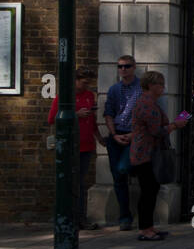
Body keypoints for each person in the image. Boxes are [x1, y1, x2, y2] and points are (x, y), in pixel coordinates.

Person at [129, 71, 188, 241]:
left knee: (152, 190)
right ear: (150, 85)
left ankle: (149, 226)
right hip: (145, 154)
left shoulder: (150, 103)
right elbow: (156, 131)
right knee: (147, 191)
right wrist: (175, 125)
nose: (163, 88)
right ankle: (144, 229)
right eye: (160, 84)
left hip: (148, 153)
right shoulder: (146, 104)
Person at [48, 66, 105, 230]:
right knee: (69, 183)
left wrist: (99, 137)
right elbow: (52, 119)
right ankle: (67, 217)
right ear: (75, 81)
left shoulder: (88, 96)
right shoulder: (64, 97)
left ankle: (79, 218)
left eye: (88, 83)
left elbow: (92, 121)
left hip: (86, 145)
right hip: (70, 147)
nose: (86, 86)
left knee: (80, 183)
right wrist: (75, 114)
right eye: (83, 83)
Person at [103, 54, 142, 230]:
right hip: (116, 134)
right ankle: (124, 216)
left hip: (134, 135)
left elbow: (145, 115)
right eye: (120, 67)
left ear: (134, 67)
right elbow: (108, 113)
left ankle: (138, 214)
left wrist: (134, 134)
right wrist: (113, 134)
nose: (123, 70)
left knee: (124, 168)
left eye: (126, 66)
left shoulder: (141, 89)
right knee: (118, 178)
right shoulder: (113, 90)